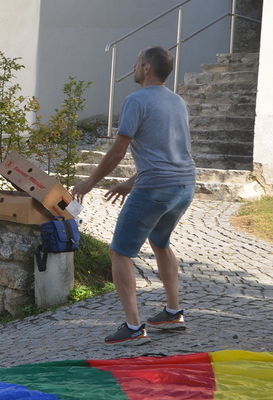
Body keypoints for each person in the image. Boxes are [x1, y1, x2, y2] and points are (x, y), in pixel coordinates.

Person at [72, 46, 196, 346]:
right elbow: (171, 152)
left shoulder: (136, 100)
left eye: (138, 62)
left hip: (155, 188)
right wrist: (130, 182)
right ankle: (173, 313)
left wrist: (89, 183)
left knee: (120, 252)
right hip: (184, 184)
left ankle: (133, 328)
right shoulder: (177, 101)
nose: (134, 66)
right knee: (160, 242)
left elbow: (117, 152)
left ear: (147, 68)